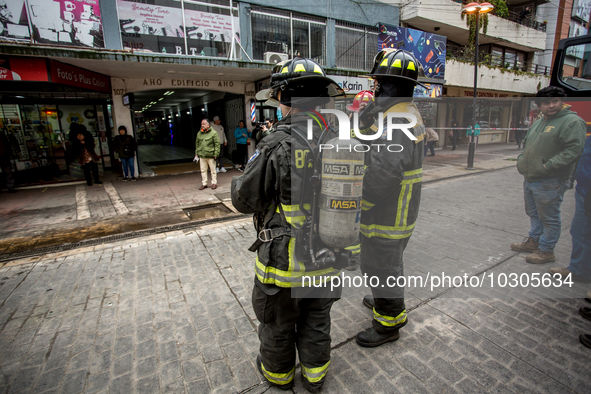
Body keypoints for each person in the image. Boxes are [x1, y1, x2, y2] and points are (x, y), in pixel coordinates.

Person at [231, 58, 344, 392]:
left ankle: (279, 377)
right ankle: (315, 376)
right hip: (326, 257)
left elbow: (244, 199)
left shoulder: (275, 142)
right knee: (317, 319)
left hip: (284, 262)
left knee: (279, 323)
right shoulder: (338, 140)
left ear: (283, 99)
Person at [355, 49, 426, 347]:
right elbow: (367, 140)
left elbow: (383, 175)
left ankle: (389, 322)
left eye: (382, 83)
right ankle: (385, 301)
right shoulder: (399, 113)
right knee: (383, 264)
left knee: (382, 266)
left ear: (396, 86)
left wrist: (360, 207)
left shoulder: (398, 121)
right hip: (394, 212)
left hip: (387, 215)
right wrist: (367, 116)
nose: (377, 87)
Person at [511, 86, 586, 264]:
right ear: (539, 106)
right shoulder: (539, 122)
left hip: (550, 179)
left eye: (555, 101)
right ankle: (533, 241)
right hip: (531, 177)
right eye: (546, 102)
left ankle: (546, 250)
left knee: (549, 217)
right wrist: (522, 160)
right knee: (534, 213)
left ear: (562, 102)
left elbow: (574, 151)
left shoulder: (572, 122)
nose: (551, 105)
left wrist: (548, 166)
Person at [548, 133, 591, 282]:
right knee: (579, 231)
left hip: (587, 191)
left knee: (584, 232)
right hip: (584, 190)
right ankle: (579, 268)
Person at [194, 119, 220, 190]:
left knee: (213, 170)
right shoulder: (199, 133)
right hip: (202, 155)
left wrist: (216, 154)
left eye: (204, 124)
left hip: (211, 155)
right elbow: (197, 144)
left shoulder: (213, 133)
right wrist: (196, 154)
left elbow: (217, 144)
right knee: (203, 170)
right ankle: (204, 183)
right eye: (202, 124)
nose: (202, 125)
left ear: (208, 125)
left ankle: (214, 183)